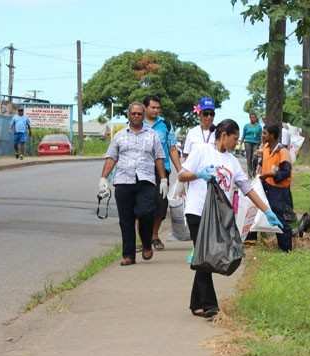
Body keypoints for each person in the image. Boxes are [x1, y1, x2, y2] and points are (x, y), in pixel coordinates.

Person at [178, 118, 283, 318]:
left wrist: (266, 210)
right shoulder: (202, 151)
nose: (237, 143)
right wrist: (199, 174)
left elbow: (247, 188)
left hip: (218, 216)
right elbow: (182, 175)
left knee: (205, 256)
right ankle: (211, 306)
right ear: (224, 135)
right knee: (205, 256)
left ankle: (196, 304)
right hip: (198, 211)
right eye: (235, 139)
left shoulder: (232, 161)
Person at [98, 102, 168, 266]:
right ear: (128, 115)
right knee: (126, 220)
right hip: (123, 181)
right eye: (133, 113)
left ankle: (146, 244)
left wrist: (163, 179)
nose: (136, 116)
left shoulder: (152, 135)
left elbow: (159, 157)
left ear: (143, 115)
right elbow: (111, 157)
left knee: (146, 213)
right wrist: (103, 179)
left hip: (146, 181)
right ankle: (128, 255)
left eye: (139, 114)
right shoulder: (119, 136)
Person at [143, 95, 183, 251]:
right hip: (142, 170)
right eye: (153, 107)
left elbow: (172, 148)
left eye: (158, 108)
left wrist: (180, 170)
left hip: (162, 171)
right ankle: (142, 239)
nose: (156, 110)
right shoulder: (137, 123)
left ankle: (154, 235)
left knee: (161, 204)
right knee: (142, 206)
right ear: (145, 107)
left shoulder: (165, 124)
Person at [259, 124, 294, 251]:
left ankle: (286, 248)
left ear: (272, 136)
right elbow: (263, 163)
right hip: (267, 186)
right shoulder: (266, 148)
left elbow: (286, 172)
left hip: (280, 190)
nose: (262, 136)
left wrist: (269, 175)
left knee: (280, 216)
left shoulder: (282, 152)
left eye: (265, 133)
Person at [242, 113, 263, 178]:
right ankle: (250, 174)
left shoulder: (259, 126)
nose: (252, 119)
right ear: (249, 118)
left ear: (256, 118)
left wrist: (261, 143)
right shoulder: (246, 126)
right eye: (251, 117)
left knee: (255, 158)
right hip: (247, 142)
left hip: (256, 143)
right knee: (249, 158)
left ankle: (254, 171)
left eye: (254, 117)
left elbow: (261, 135)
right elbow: (244, 135)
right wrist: (240, 143)